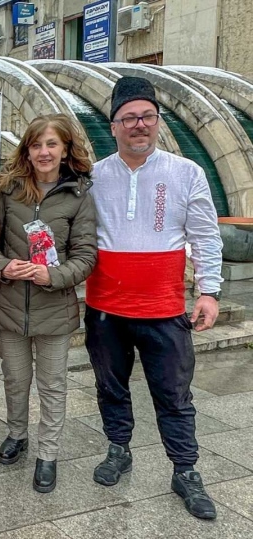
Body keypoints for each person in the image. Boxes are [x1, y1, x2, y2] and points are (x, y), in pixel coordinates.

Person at [86, 77, 223, 520]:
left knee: (174, 394)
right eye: (129, 118)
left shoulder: (187, 173)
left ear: (158, 122)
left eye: (146, 116)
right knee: (110, 387)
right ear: (114, 127)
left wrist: (209, 291)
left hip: (163, 308)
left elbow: (205, 236)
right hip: (105, 307)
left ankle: (185, 470)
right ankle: (118, 448)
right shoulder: (95, 175)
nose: (138, 125)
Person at [0, 114, 98, 493]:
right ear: (27, 150)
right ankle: (17, 435)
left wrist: (53, 275)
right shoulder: (6, 189)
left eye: (52, 144)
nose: (44, 152)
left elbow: (86, 255)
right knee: (16, 381)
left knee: (52, 385)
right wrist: (4, 268)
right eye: (36, 145)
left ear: (65, 149)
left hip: (55, 309)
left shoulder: (78, 195)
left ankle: (48, 454)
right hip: (9, 306)